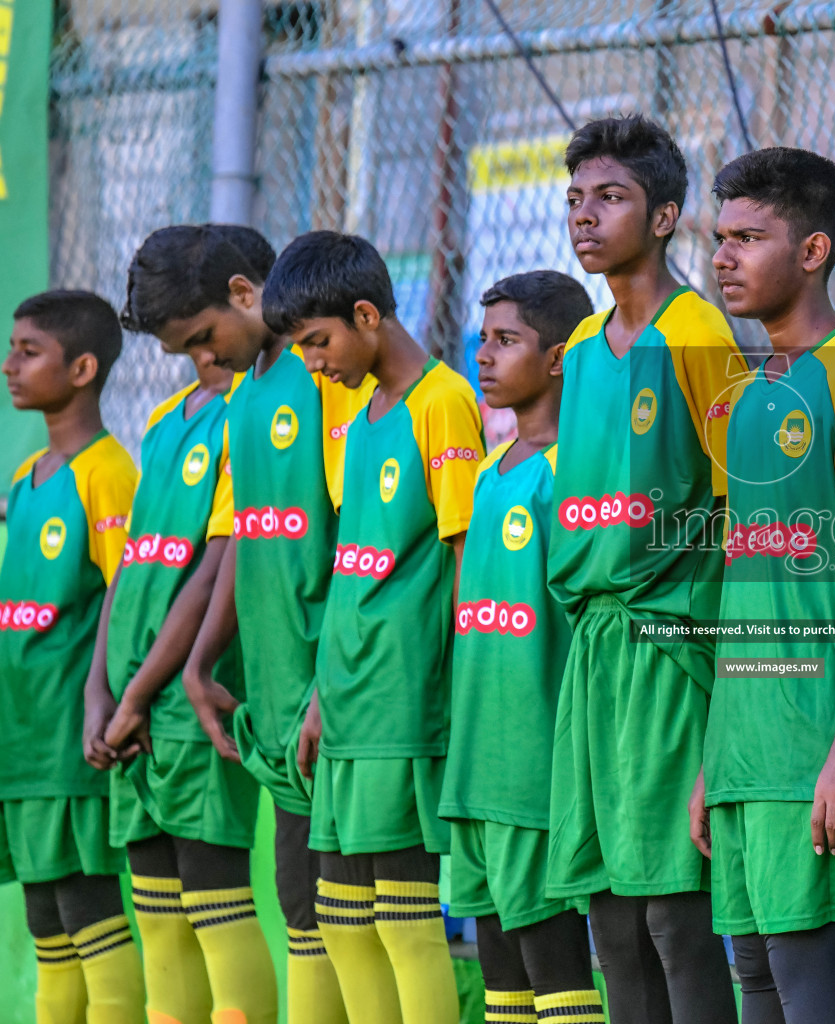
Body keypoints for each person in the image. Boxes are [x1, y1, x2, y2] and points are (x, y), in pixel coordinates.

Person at [694, 146, 835, 1023]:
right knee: (753, 974)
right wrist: (718, 755)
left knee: (804, 974)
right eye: (721, 237)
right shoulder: (752, 394)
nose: (724, 257)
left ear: (815, 250)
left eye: (749, 237)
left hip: (812, 746)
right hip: (748, 748)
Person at [126, 222, 362, 1023]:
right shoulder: (248, 395)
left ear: (242, 293)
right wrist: (199, 664)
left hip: (343, 696)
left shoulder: (327, 374)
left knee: (356, 919)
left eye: (203, 337)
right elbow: (241, 542)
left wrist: (334, 681)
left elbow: (360, 539)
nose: (207, 357)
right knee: (302, 905)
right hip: (277, 700)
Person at [545, 114, 743, 1024]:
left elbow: (753, 507)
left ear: (664, 217)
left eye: (611, 197)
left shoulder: (699, 333)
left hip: (673, 649)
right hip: (596, 658)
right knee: (612, 917)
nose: (586, 215)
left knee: (674, 912)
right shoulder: (580, 353)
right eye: (577, 197)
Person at [264, 230, 483, 1024]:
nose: (313, 363)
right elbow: (354, 565)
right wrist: (323, 693)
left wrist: (458, 697)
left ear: (366, 315)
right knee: (341, 919)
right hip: (348, 701)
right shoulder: (360, 418)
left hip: (403, 702)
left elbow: (464, 559)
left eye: (318, 342)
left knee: (403, 920)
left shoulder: (443, 402)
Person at [89, 315, 276, 1023]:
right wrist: (99, 689)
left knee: (214, 897)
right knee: (158, 911)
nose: (191, 352)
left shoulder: (250, 415)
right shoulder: (167, 417)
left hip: (191, 690)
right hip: (132, 696)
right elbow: (134, 561)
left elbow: (216, 565)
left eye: (196, 331)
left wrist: (137, 693)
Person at [438, 271, 601, 1022]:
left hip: (538, 772)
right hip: (478, 768)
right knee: (501, 976)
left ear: (561, 356)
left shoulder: (577, 471)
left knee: (554, 972)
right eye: (483, 339)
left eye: (507, 341)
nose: (485, 355)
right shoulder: (485, 476)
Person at [0, 290, 145, 1024]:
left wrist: (106, 700)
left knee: (87, 912)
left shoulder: (108, 472)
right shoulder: (26, 480)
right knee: (45, 929)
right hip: (20, 743)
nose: (10, 365)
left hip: (69, 741)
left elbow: (126, 594)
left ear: (83, 367)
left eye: (30, 352)